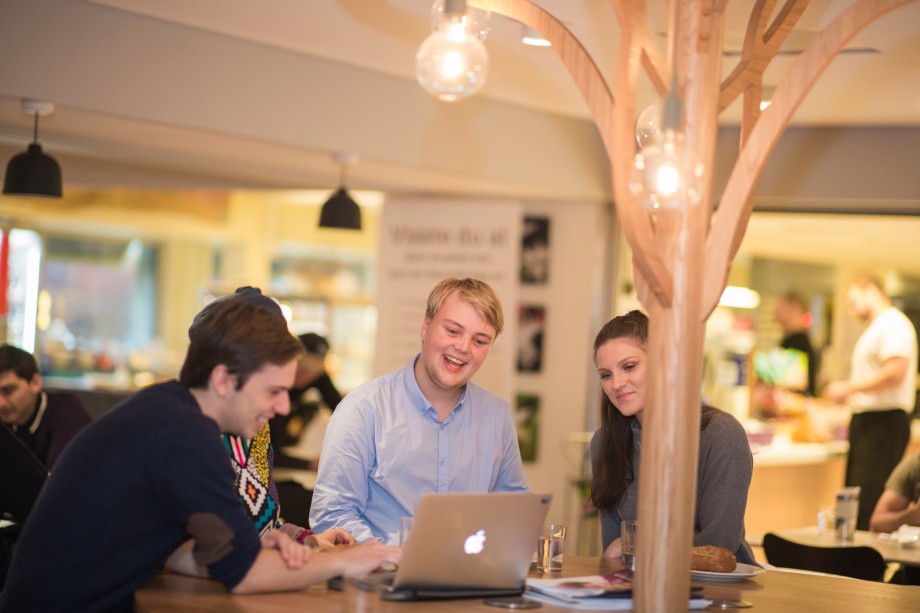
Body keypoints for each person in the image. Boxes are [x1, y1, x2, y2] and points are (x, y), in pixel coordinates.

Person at [0, 288, 398, 612]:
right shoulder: (186, 436)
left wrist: (259, 543)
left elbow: (190, 551)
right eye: (273, 391)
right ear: (224, 379)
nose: (283, 408)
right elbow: (245, 576)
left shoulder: (171, 413)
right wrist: (352, 559)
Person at [309, 277, 530, 544]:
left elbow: (514, 513)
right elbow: (332, 516)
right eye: (453, 331)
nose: (463, 347)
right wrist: (390, 559)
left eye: (480, 340)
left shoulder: (497, 417)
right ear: (426, 326)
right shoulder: (364, 409)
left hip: (468, 579)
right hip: (379, 580)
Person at [589, 310, 757, 565]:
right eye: (606, 375)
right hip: (633, 590)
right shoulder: (605, 443)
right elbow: (613, 555)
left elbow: (719, 546)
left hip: (718, 592)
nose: (617, 383)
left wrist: (636, 541)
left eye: (629, 366)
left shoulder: (720, 435)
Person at [825, 273, 918, 531]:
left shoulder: (893, 325)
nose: (851, 309)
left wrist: (848, 388)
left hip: (882, 423)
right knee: (856, 500)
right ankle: (852, 561)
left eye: (853, 300)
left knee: (868, 502)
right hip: (870, 421)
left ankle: (865, 567)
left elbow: (895, 372)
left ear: (870, 289)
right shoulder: (878, 327)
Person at [0, 344, 91, 470]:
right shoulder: (6, 421)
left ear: (35, 383)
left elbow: (61, 482)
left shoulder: (66, 413)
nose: (1, 403)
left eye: (8, 391)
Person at [774, 290, 818, 396]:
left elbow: (793, 384)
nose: (775, 312)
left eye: (780, 307)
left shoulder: (797, 343)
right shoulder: (795, 340)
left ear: (794, 308)